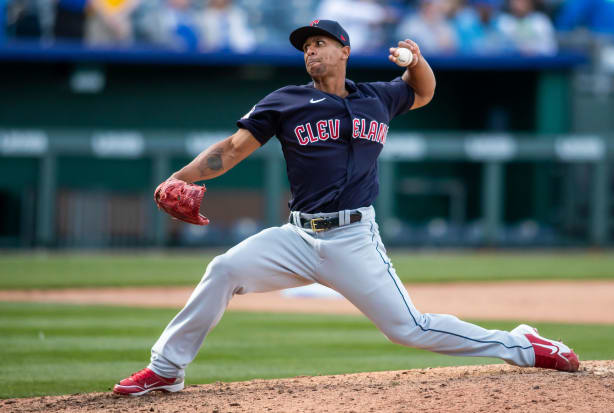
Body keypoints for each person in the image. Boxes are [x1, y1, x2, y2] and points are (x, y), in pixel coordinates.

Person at [113, 19, 579, 396]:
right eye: (306, 47)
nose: (310, 52)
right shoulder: (286, 101)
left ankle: (523, 345)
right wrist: (180, 177)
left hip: (354, 238)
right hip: (296, 237)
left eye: (320, 43)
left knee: (409, 329)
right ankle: (166, 368)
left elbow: (423, 91)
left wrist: (416, 60)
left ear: (344, 51)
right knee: (223, 269)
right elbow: (231, 149)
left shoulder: (377, 96)